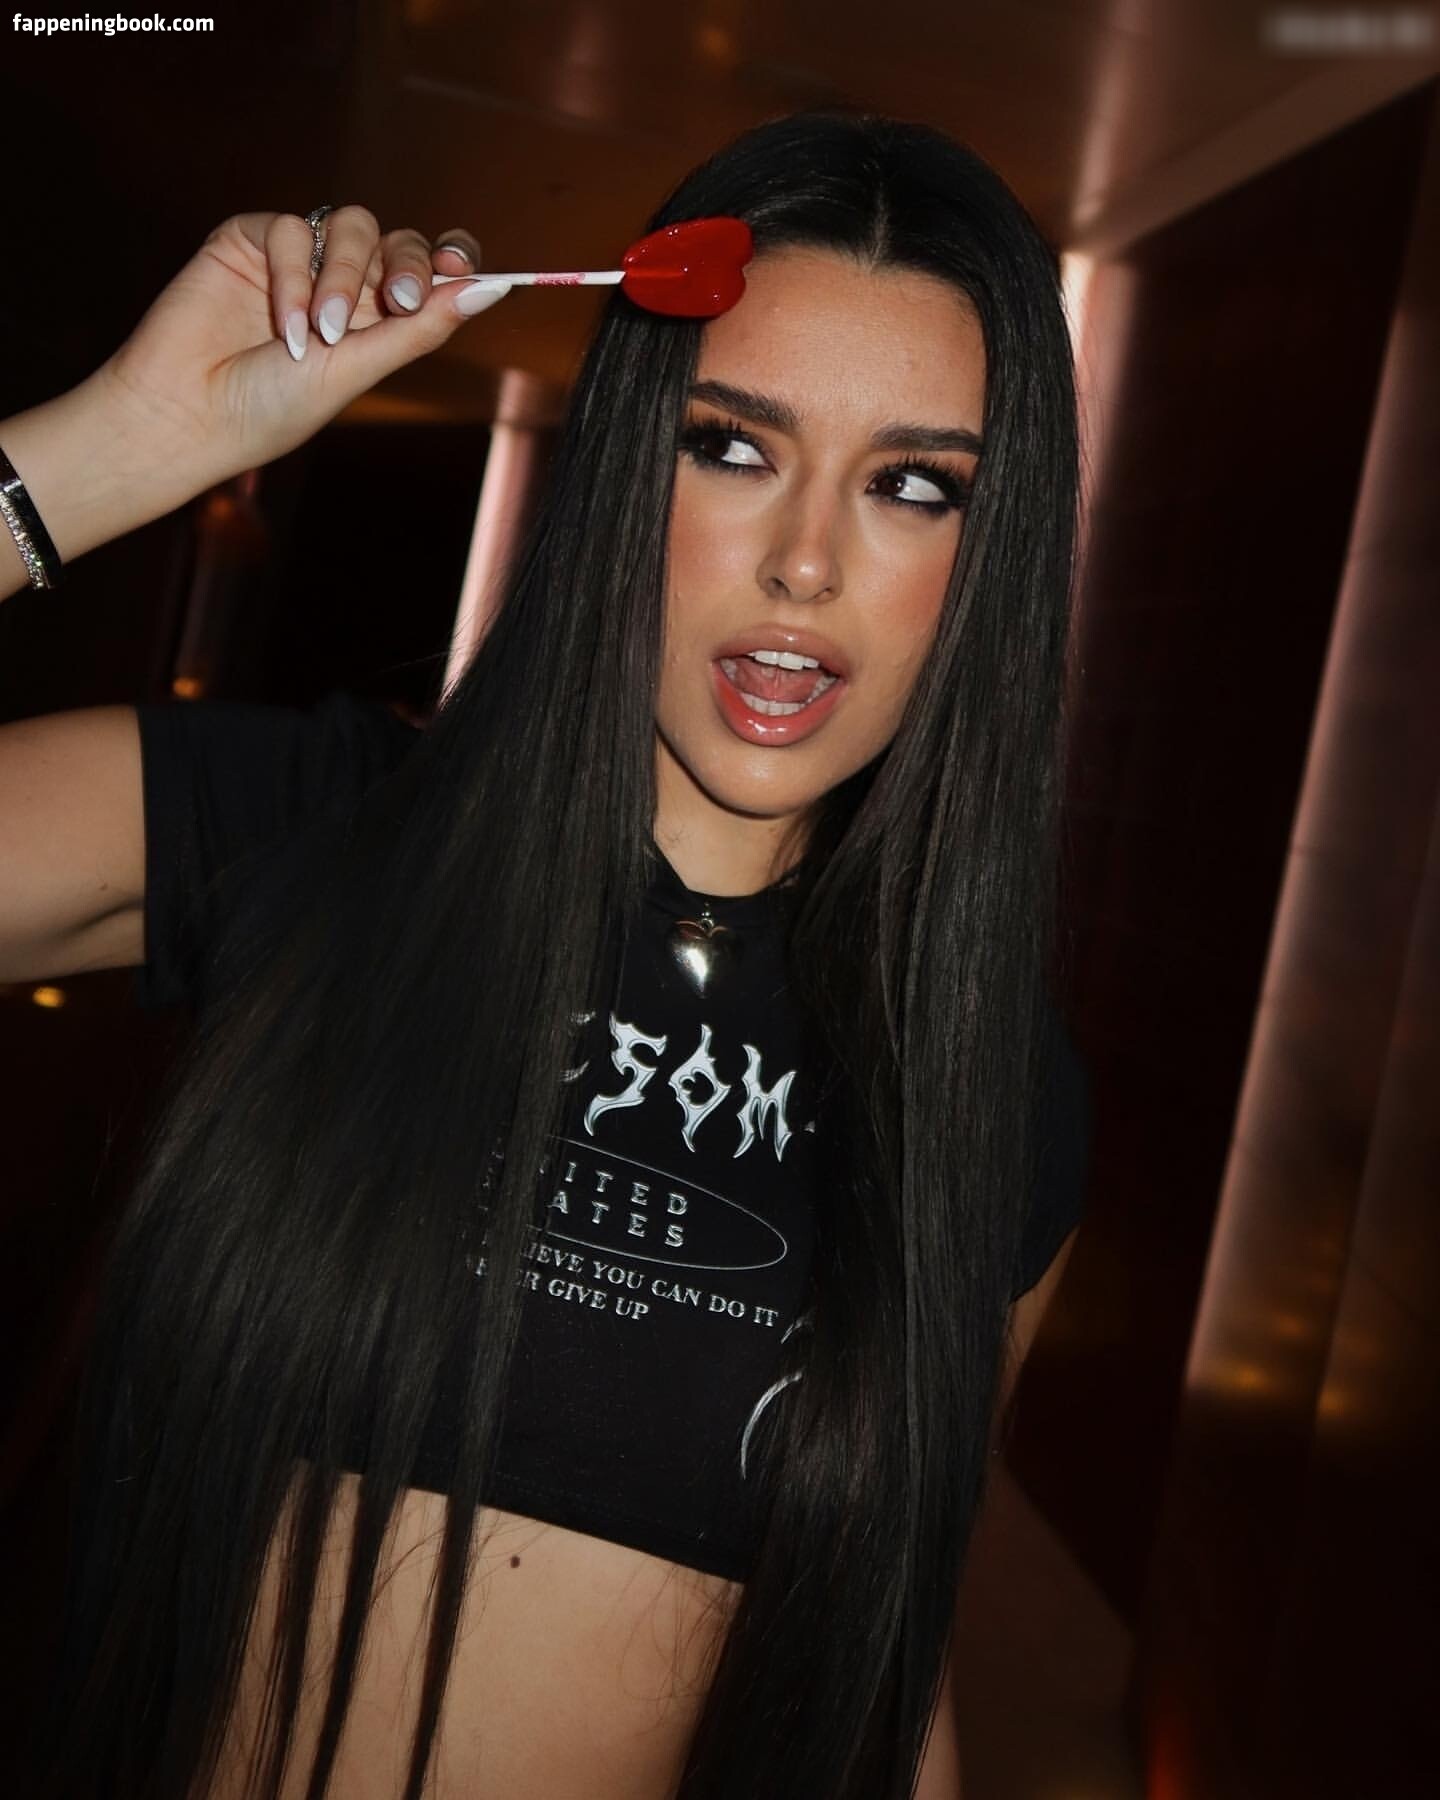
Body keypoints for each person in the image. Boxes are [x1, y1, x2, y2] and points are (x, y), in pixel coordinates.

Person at [0, 109, 1091, 1800]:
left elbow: (889, 1660)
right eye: (732, 447)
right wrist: (102, 455)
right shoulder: (309, 830)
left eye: (911, 485)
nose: (807, 561)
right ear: (628, 463)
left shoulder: (984, 1087)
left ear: (989, 556)